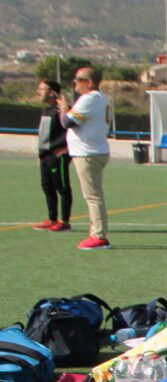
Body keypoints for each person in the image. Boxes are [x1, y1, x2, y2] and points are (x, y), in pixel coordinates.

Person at [60, 66, 112, 250]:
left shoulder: (89, 99)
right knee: (93, 195)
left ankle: (99, 236)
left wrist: (63, 109)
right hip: (93, 151)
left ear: (89, 83)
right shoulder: (100, 99)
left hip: (89, 153)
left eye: (78, 78)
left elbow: (67, 122)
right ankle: (97, 233)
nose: (75, 82)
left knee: (93, 196)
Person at [34, 79, 73, 232]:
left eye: (42, 88)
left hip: (58, 156)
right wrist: (40, 155)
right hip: (45, 156)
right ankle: (52, 219)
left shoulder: (62, 109)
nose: (38, 91)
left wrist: (67, 149)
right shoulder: (46, 109)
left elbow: (74, 129)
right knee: (47, 187)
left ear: (52, 92)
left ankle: (65, 221)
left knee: (62, 188)